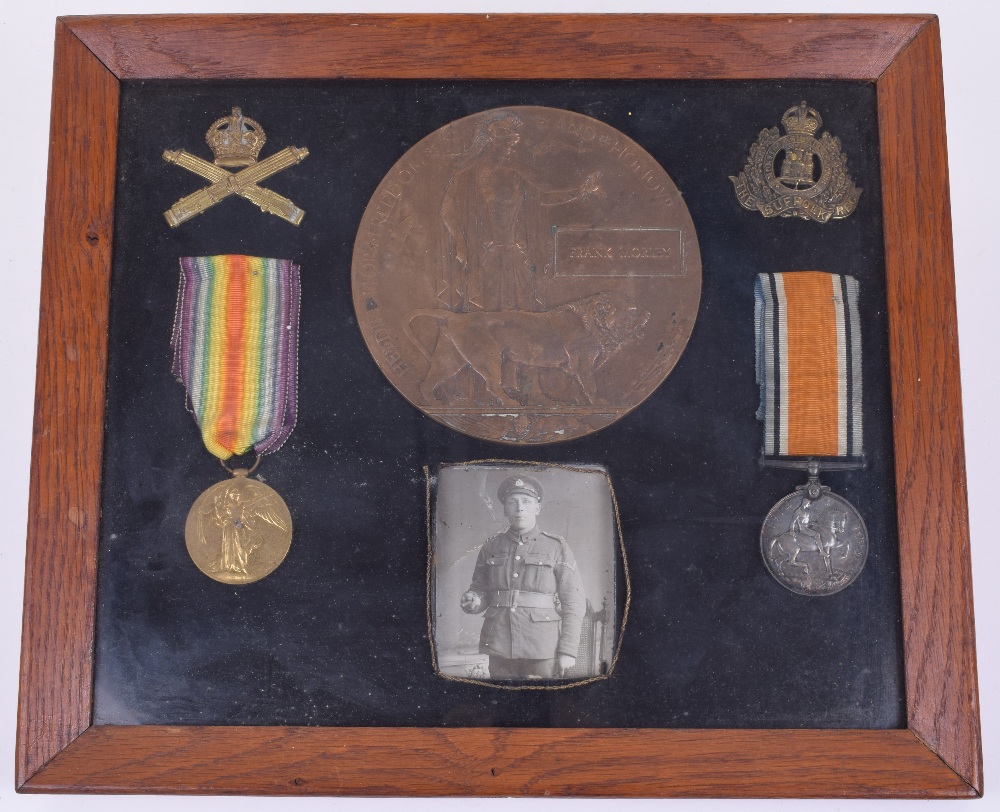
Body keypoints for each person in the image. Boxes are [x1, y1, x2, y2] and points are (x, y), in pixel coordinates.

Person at [460, 474, 586, 679]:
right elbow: (480, 590)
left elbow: (574, 602)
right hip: (499, 643)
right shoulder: (491, 546)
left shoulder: (557, 547)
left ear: (537, 508)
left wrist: (568, 650)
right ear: (505, 509)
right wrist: (473, 600)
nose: (519, 508)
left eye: (526, 502)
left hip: (541, 647)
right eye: (513, 502)